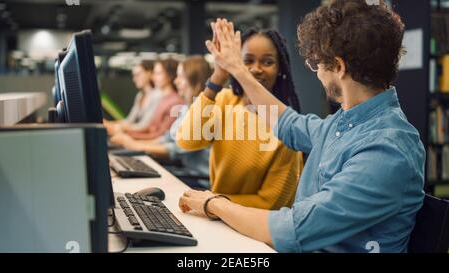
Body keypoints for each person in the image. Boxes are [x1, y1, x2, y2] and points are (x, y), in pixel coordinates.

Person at [179, 0, 425, 253]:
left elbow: (293, 229)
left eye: (316, 64)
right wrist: (236, 70)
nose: (317, 73)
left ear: (338, 67)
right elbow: (287, 123)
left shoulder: (385, 151)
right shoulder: (348, 123)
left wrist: (213, 203)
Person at [175, 26, 304, 209]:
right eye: (247, 61)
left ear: (279, 69)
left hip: (251, 228)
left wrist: (212, 202)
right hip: (214, 212)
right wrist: (218, 77)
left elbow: (271, 203)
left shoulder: (285, 125)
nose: (256, 69)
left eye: (267, 62)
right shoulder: (225, 100)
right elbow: (186, 141)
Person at [110, 56, 212, 188]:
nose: (176, 81)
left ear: (194, 80)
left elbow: (175, 150)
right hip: (185, 172)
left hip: (197, 179)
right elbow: (165, 138)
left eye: (180, 77)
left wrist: (133, 144)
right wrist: (134, 143)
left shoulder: (204, 111)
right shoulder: (185, 108)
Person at [111, 58, 183, 142]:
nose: (153, 77)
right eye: (154, 73)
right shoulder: (162, 98)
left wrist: (129, 137)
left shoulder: (174, 101)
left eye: (158, 73)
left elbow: (161, 135)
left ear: (170, 75)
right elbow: (149, 129)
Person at [104, 60, 163, 135]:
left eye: (138, 75)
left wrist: (114, 126)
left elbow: (144, 126)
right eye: (134, 75)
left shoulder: (157, 95)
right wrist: (109, 123)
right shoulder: (140, 95)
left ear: (149, 73)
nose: (134, 79)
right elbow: (129, 120)